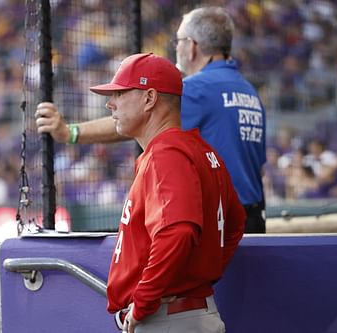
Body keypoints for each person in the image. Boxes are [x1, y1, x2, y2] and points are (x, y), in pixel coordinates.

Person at [35, 6, 266, 233]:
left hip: (219, 223)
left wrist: (70, 132)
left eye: (179, 41)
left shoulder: (199, 88)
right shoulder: (248, 91)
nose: (176, 48)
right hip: (250, 218)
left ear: (192, 47)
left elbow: (133, 118)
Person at [87, 53, 245, 332]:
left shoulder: (167, 153)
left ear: (149, 98)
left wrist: (144, 302)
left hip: (169, 317)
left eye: (120, 93)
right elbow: (235, 223)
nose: (110, 103)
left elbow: (178, 230)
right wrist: (195, 275)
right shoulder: (201, 150)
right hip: (187, 311)